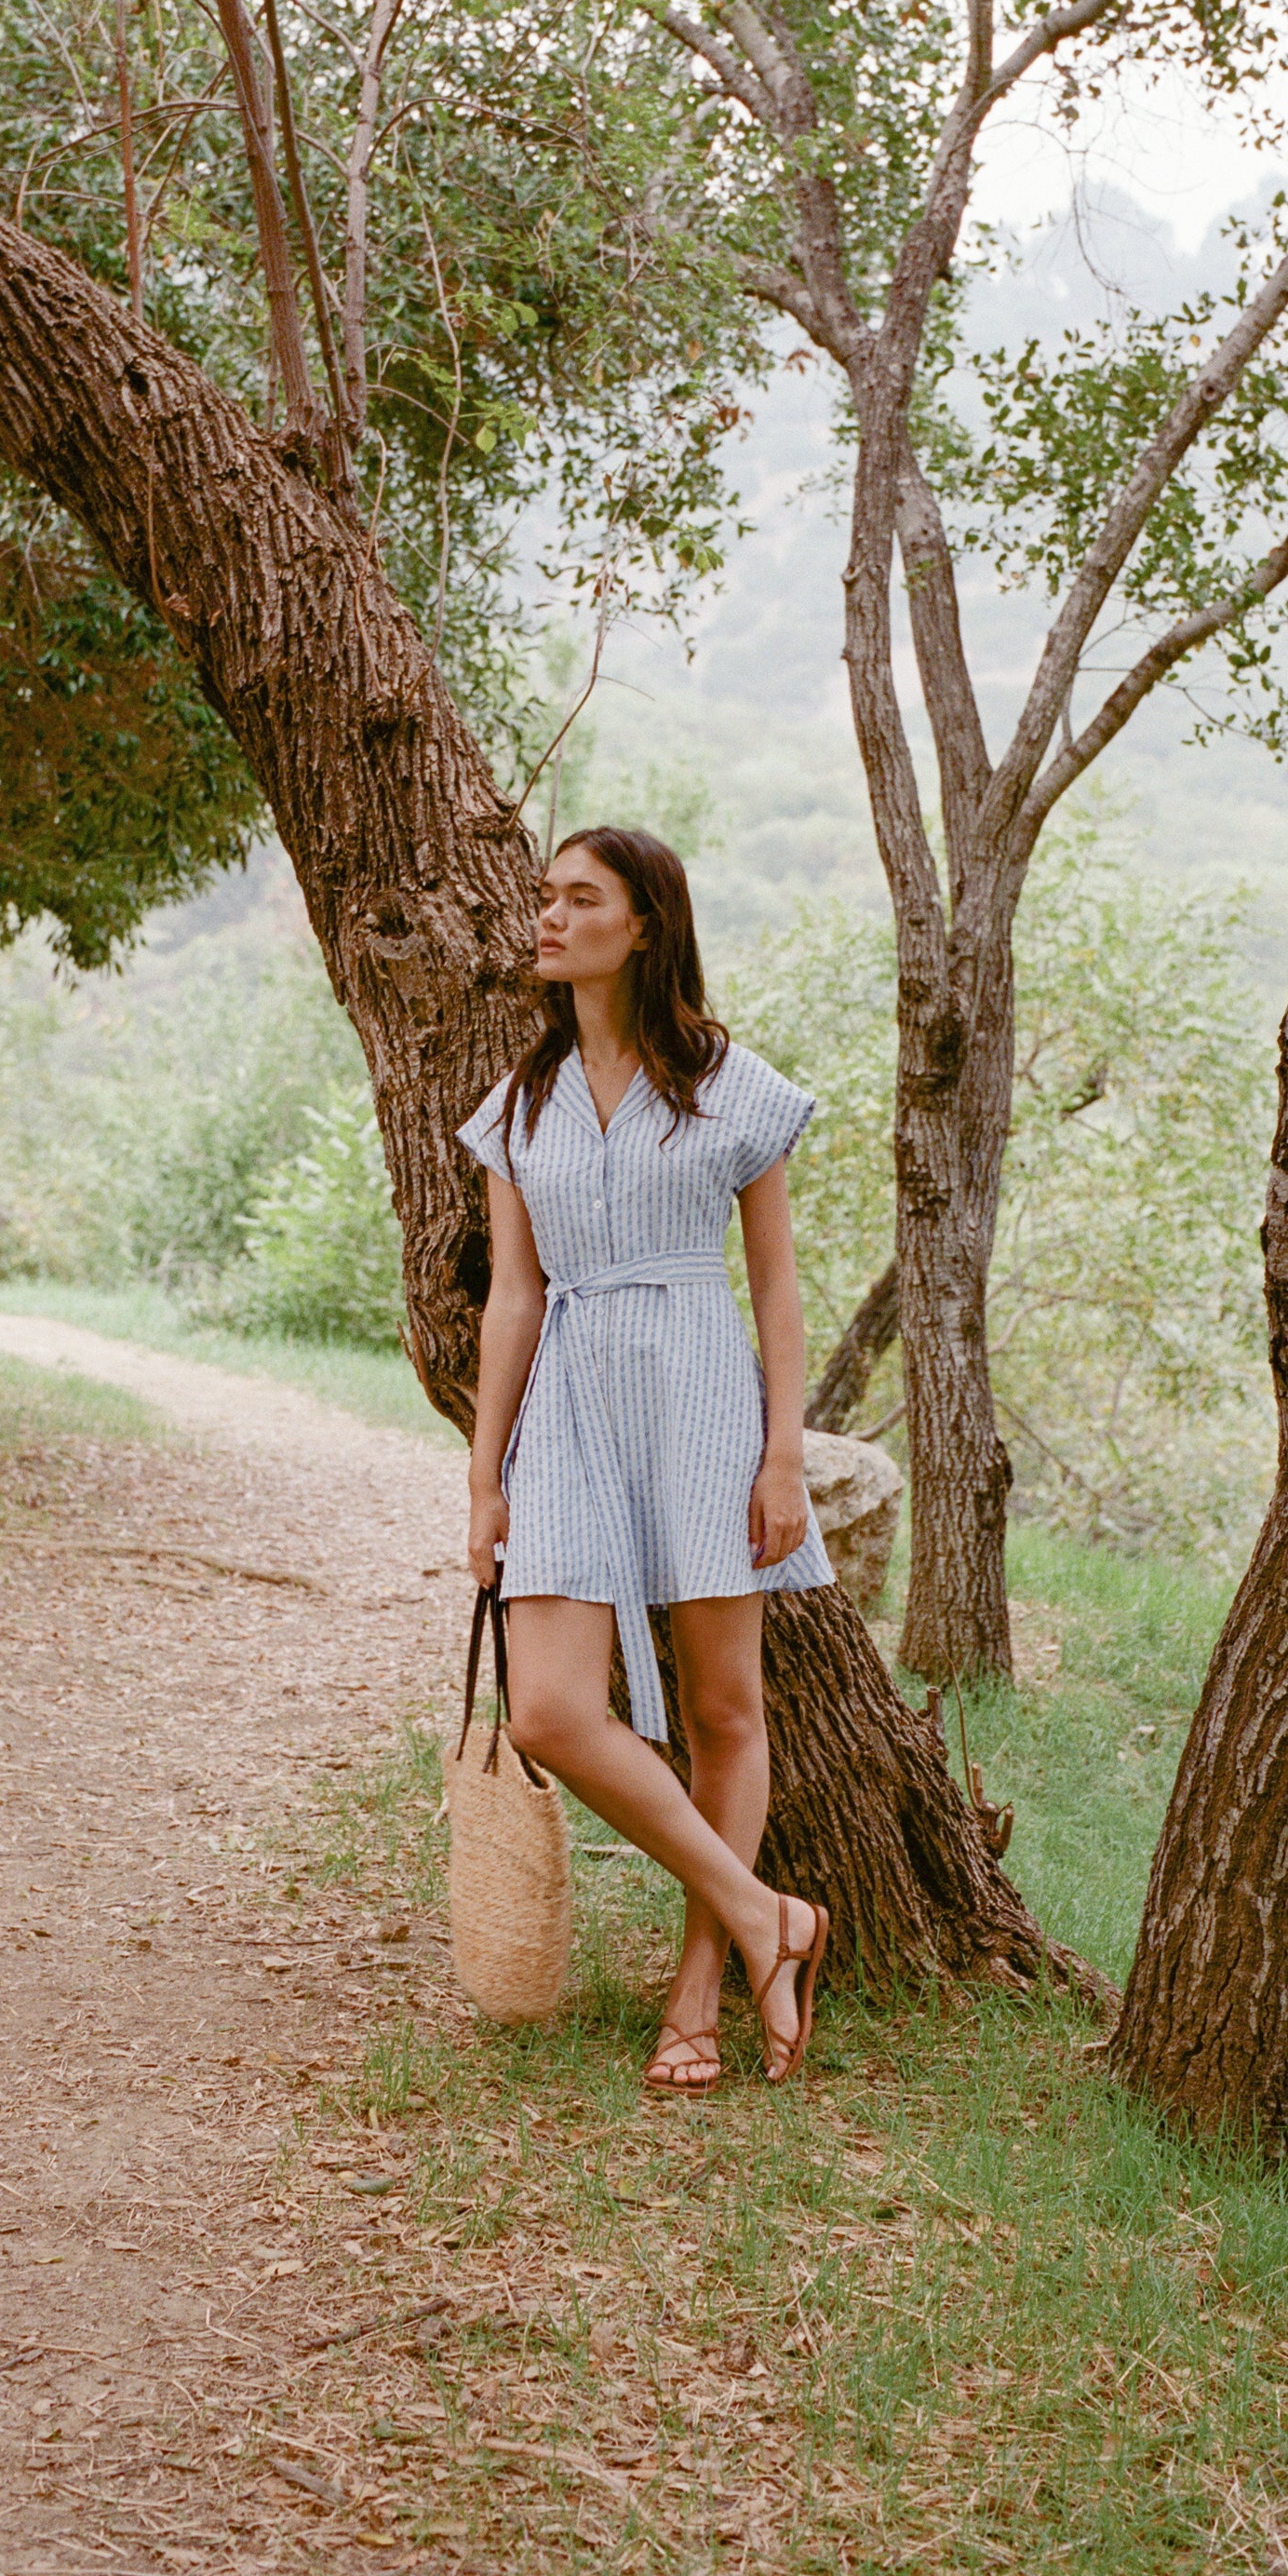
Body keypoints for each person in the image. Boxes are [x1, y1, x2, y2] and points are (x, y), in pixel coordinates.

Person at [459, 824, 834, 2091]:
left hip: (701, 1387)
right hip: (565, 1397)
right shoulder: (520, 1102)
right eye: (547, 897)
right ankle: (764, 1908)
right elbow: (512, 1297)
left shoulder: (734, 1085)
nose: (548, 918)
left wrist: (784, 1454)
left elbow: (777, 1290)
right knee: (550, 1705)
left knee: (726, 1708)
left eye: (579, 898)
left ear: (644, 924)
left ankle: (701, 1993)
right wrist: (484, 1469)